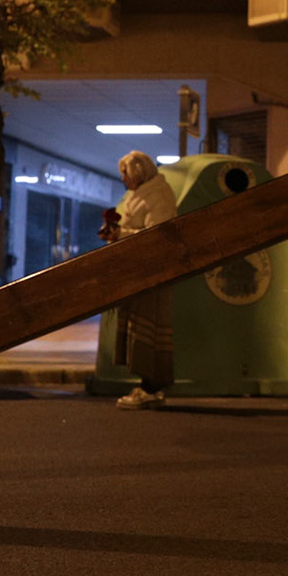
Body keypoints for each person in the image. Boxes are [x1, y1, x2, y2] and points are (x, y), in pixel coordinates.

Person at [105, 150, 180, 409]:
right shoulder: (140, 194)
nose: (123, 179)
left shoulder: (158, 194)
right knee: (142, 330)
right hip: (139, 271)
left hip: (152, 272)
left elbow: (157, 234)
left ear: (136, 173)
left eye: (125, 174)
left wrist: (122, 234)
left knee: (149, 328)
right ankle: (149, 386)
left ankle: (151, 387)